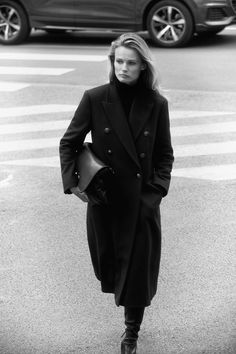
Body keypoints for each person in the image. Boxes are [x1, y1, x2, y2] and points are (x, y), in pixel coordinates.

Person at [59, 32, 174, 354]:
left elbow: (165, 153)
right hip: (105, 199)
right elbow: (69, 143)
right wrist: (74, 184)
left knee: (136, 272)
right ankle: (129, 322)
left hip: (140, 202)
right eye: (119, 61)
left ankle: (130, 333)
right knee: (108, 265)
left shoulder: (156, 104)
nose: (124, 68)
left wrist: (156, 192)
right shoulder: (95, 98)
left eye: (131, 63)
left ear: (142, 66)